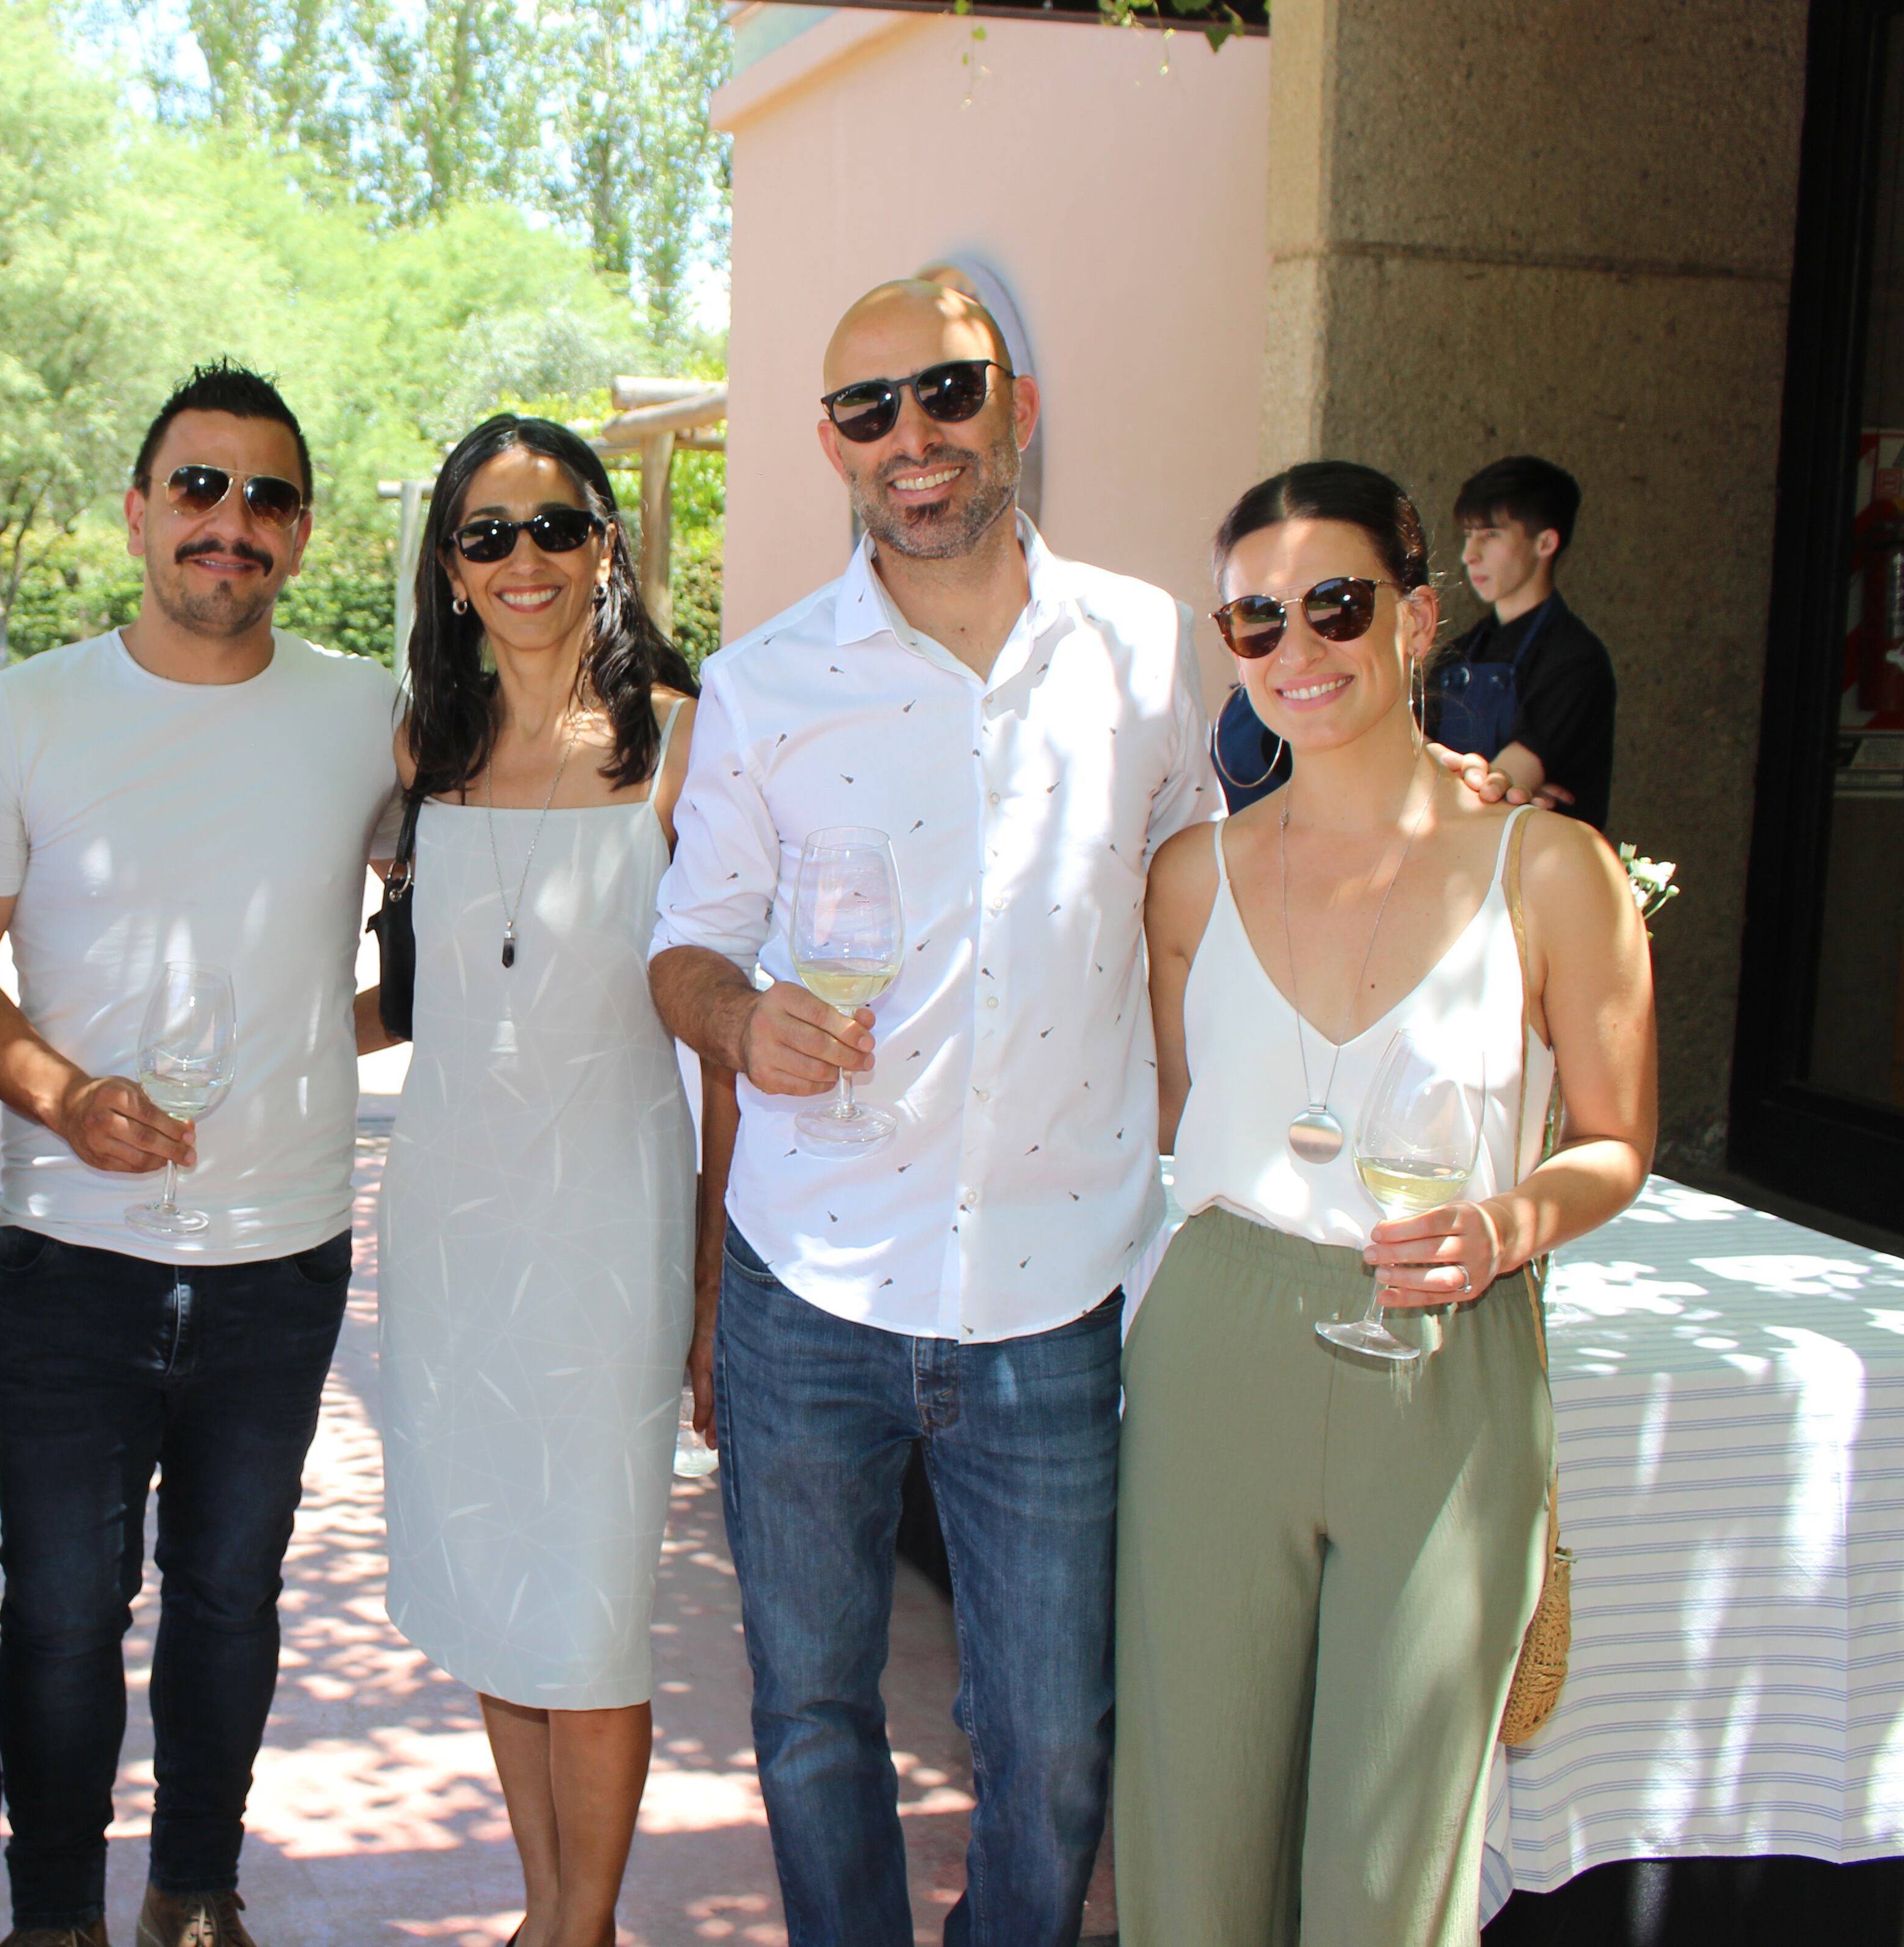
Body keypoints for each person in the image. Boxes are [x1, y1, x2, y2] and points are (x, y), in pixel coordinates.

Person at [646, 279, 1212, 1947]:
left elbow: (1209, 882)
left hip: (1058, 1290)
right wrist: (745, 1018)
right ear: (832, 442)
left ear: (1016, 402)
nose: (915, 437)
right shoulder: (765, 681)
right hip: (807, 1285)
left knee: (1051, 1741)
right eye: (870, 410)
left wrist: (1433, 808)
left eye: (946, 391)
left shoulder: (1145, 645)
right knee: (816, 1719)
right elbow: (679, 949)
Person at [1116, 461, 1655, 1943]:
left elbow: (1615, 1140)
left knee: (1389, 1862)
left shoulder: (1553, 874)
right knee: (1193, 1828)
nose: (1295, 650)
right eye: (1252, 621)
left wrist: (1509, 1224)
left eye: (1334, 606)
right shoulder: (1186, 882)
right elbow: (1171, 1118)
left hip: (1445, 1352)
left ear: (1417, 618)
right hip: (1215, 1341)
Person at [0, 362, 401, 1947]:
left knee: (228, 1598)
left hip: (285, 1255)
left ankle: (195, 1892)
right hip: (73, 1252)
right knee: (61, 1613)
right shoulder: (29, 713)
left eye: (267, 496)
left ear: (304, 530)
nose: (231, 522)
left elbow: (467, 909)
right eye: (199, 488)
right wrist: (62, 1094)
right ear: (137, 512)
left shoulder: (366, 713)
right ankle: (53, 1911)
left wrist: (341, 1027)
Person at [376, 413, 700, 1947]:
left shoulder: (685, 735)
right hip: (453, 1219)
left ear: (606, 545)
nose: (526, 561)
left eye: (555, 527)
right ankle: (544, 1908)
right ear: (449, 569)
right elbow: (412, 990)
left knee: (593, 1603)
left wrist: (712, 1279)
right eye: (488, 535)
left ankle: (585, 1926)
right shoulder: (415, 748)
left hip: (612, 1226)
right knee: (501, 1574)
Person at [1427, 455, 1617, 828]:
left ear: (1545, 542)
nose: (1470, 556)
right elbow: (1406, 767)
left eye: (1491, 535)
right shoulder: (1457, 655)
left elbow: (1496, 793)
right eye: (1468, 535)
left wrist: (1503, 793)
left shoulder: (1575, 659)